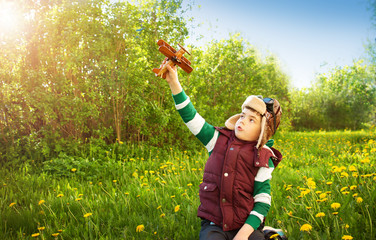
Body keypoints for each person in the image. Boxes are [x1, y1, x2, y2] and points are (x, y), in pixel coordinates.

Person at [161, 61, 283, 240]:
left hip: (246, 225)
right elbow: (190, 116)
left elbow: (262, 202)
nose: (242, 121)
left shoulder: (264, 158)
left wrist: (243, 234)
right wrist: (174, 83)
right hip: (215, 224)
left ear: (262, 132)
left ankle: (266, 233)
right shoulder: (216, 139)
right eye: (242, 115)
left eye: (251, 120)